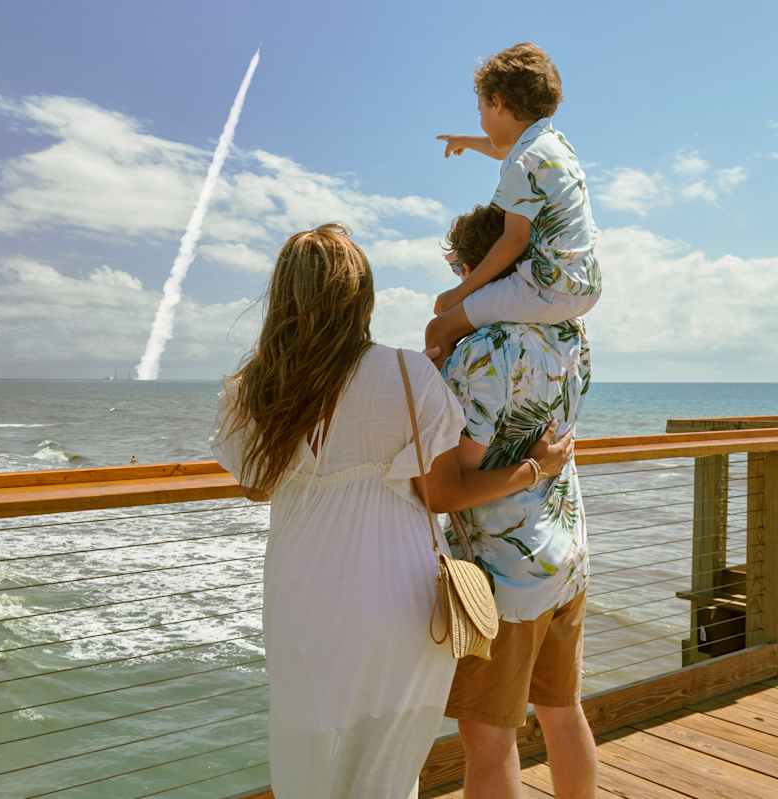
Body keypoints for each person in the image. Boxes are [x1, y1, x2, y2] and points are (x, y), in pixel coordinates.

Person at [210, 224, 573, 799]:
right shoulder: (409, 373)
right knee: (385, 765)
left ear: (283, 296)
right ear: (362, 297)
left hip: (302, 592)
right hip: (397, 598)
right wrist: (534, 469)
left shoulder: (251, 387)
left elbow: (258, 487)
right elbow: (441, 489)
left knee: (308, 750)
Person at [439, 206, 596, 799]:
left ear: (482, 271)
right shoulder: (572, 334)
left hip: (502, 577)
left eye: (459, 267)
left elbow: (457, 475)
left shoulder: (482, 350)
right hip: (564, 555)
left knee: (486, 739)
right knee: (562, 710)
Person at [428, 42, 601, 365]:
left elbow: (514, 239)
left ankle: (440, 414)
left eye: (480, 110)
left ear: (497, 101)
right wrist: (463, 140)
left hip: (546, 286)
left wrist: (459, 293)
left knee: (439, 328)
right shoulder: (552, 144)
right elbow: (500, 147)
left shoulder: (523, 161)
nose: (480, 118)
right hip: (584, 284)